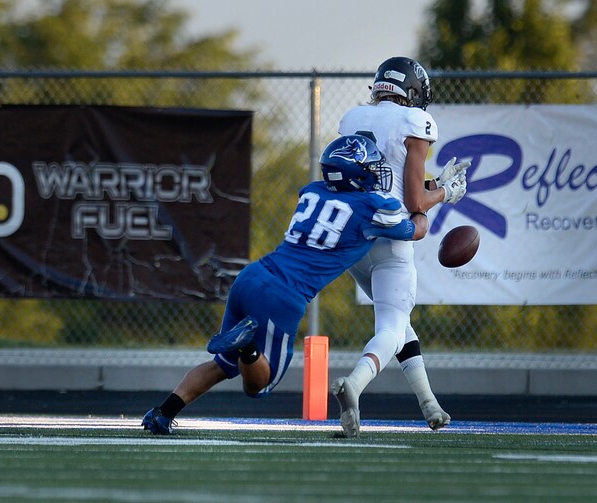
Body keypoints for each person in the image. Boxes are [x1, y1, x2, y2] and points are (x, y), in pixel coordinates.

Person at [140, 134, 458, 434]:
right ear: (358, 173)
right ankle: (248, 347)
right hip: (284, 296)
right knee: (258, 386)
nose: (376, 174)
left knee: (222, 365)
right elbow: (414, 228)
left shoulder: (312, 191)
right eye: (370, 168)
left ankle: (162, 413)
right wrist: (438, 196)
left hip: (252, 276)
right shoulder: (373, 208)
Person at [332, 56, 469, 437]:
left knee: (399, 320)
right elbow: (412, 202)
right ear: (413, 93)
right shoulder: (415, 122)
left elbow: (380, 182)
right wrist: (446, 193)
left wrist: (432, 187)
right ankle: (355, 385)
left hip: (354, 237)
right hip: (391, 238)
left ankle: (430, 405)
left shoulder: (354, 117)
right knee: (391, 325)